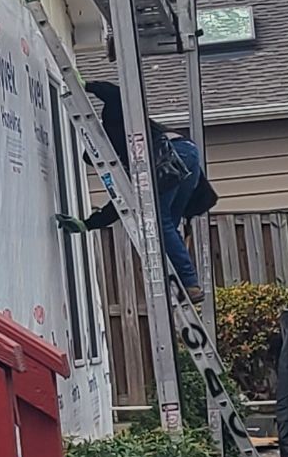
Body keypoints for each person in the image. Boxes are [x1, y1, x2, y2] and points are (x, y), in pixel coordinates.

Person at [59, 79, 217, 300]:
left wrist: (85, 85)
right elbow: (121, 201)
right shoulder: (126, 166)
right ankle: (187, 283)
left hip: (170, 152)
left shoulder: (114, 124)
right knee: (168, 222)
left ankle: (189, 284)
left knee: (161, 221)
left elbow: (116, 94)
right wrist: (88, 224)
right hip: (185, 152)